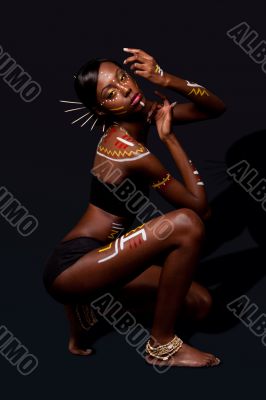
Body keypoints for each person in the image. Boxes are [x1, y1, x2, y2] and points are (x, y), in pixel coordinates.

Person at [43, 48, 226, 367]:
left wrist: (164, 78)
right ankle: (162, 346)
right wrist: (170, 140)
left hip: (106, 258)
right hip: (73, 265)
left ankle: (90, 308)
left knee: (200, 304)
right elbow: (200, 209)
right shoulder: (127, 151)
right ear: (101, 110)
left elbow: (214, 108)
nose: (126, 89)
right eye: (110, 92)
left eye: (123, 77)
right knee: (186, 224)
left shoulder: (142, 114)